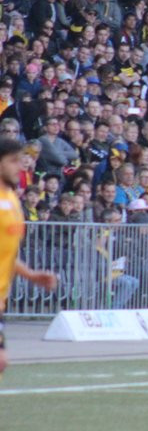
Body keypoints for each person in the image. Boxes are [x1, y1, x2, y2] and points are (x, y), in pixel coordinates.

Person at [0, 139, 57, 376]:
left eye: (21, 160)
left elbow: (6, 252)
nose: (20, 166)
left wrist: (31, 274)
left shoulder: (13, 201)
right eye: (13, 160)